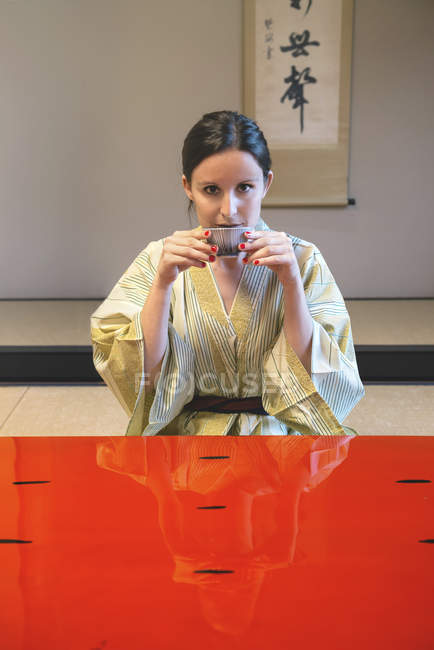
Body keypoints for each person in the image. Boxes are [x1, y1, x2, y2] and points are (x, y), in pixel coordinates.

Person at [90, 110, 364, 436]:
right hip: (186, 441)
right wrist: (163, 284)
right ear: (187, 187)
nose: (229, 210)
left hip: (279, 439)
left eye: (245, 187)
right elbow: (140, 374)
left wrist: (291, 284)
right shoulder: (158, 260)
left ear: (267, 184)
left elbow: (321, 376)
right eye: (211, 190)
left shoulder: (302, 259)